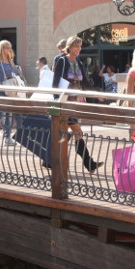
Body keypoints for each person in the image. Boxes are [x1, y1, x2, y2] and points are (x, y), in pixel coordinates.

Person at [52, 35, 100, 172]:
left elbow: (84, 82)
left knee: (65, 133)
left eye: (80, 46)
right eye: (76, 46)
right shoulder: (62, 61)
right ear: (70, 47)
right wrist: (57, 101)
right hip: (65, 103)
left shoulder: (78, 62)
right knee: (76, 131)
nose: (79, 49)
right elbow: (55, 83)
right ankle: (88, 163)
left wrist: (97, 94)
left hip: (75, 102)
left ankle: (51, 161)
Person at [0, 40, 23, 145]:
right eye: (7, 48)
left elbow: (14, 74)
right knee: (1, 114)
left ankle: (7, 138)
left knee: (8, 114)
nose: (9, 50)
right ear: (2, 49)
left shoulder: (10, 61)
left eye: (10, 47)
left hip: (9, 89)